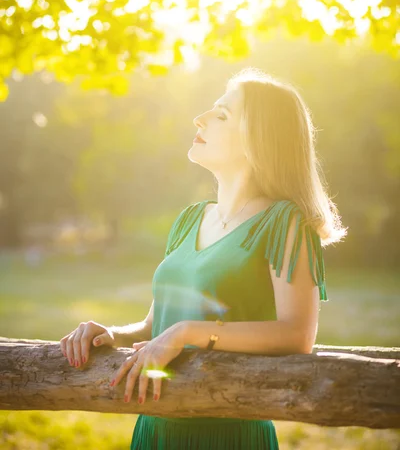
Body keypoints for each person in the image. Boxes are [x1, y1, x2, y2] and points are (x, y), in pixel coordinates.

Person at [60, 67, 347, 449]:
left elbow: (297, 335)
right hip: (154, 432)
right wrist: (111, 335)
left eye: (223, 115)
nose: (201, 118)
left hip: (227, 432)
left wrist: (188, 332)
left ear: (258, 140)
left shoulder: (285, 221)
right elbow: (156, 324)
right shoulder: (190, 218)